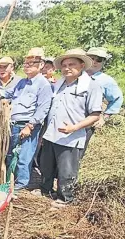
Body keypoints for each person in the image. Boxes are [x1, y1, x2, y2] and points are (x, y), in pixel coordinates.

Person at [40, 48, 102, 208]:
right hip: (51, 133)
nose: (67, 68)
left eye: (72, 64)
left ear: (82, 65)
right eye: (64, 65)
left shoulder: (91, 86)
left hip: (71, 136)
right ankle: (45, 191)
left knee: (67, 170)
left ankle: (65, 198)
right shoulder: (58, 84)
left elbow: (95, 114)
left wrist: (75, 127)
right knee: (46, 166)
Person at [0, 48, 53, 191]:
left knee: (24, 156)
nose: (28, 66)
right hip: (14, 124)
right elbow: (10, 93)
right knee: (11, 154)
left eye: (32, 63)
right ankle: (10, 181)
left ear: (41, 65)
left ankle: (20, 185)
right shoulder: (22, 82)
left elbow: (43, 109)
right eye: (26, 63)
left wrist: (30, 126)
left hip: (27, 125)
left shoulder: (43, 84)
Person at [84, 47, 123, 156]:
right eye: (91, 58)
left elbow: (116, 99)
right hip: (67, 118)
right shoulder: (76, 74)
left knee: (76, 154)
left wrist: (104, 117)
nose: (94, 62)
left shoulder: (106, 80)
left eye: (99, 60)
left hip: (88, 121)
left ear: (103, 62)